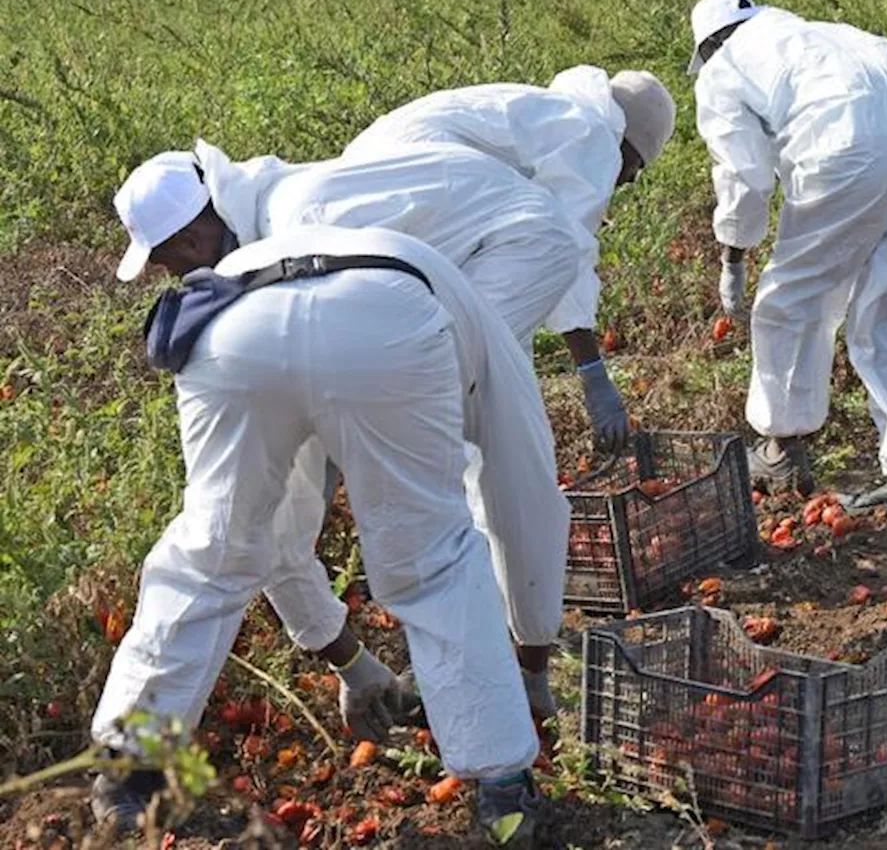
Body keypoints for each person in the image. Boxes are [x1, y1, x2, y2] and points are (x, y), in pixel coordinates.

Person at [93, 200, 558, 847]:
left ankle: (128, 770)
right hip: (382, 317)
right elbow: (524, 495)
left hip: (233, 324)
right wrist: (533, 657)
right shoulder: (477, 333)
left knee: (216, 546)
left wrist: (345, 657)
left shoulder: (266, 255)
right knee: (434, 559)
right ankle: (503, 790)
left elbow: (275, 538)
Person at [113, 143, 589, 729]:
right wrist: (352, 664)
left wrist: (533, 656)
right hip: (388, 320)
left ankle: (506, 673)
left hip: (520, 245)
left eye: (167, 263)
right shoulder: (267, 265)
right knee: (403, 528)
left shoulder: (309, 218)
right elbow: (273, 529)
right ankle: (493, 729)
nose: (176, 279)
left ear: (189, 241)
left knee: (435, 521)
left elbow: (521, 478)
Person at [688, 0, 887, 517]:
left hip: (847, 147)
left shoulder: (725, 67)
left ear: (710, 44)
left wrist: (734, 256)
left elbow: (743, 176)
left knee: (788, 303)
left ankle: (780, 451)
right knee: (882, 310)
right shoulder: (826, 37)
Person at [344, 66, 677, 432]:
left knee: (491, 353)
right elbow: (566, 256)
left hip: (364, 191)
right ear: (629, 143)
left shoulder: (547, 114)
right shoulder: (593, 135)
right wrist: (592, 373)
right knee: (476, 356)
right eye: (636, 166)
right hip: (422, 191)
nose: (629, 179)